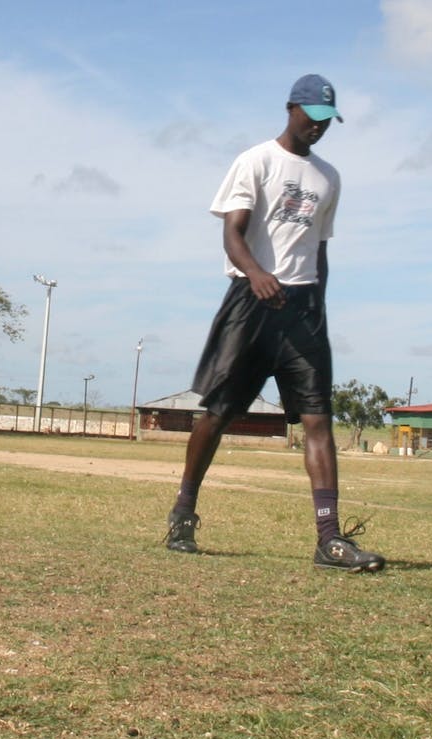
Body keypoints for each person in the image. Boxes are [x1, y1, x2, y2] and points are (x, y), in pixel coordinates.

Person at [165, 74, 384, 573]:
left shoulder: (329, 178)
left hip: (304, 310)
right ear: (291, 109)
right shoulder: (255, 160)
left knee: (318, 419)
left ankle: (329, 541)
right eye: (313, 118)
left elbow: (319, 251)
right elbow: (233, 235)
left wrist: (320, 308)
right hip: (252, 302)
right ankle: (183, 512)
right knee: (218, 412)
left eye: (328, 122)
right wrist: (258, 274)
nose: (319, 129)